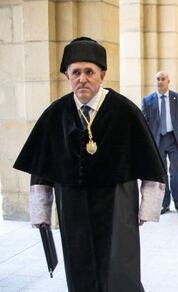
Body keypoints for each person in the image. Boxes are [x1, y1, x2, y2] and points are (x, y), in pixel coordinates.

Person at [13, 37, 166, 292]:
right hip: (72, 207)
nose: (82, 79)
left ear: (102, 74)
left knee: (119, 271)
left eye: (89, 72)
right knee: (79, 268)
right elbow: (41, 167)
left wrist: (146, 208)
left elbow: (151, 162)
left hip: (117, 202)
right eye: (76, 72)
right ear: (67, 75)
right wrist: (41, 212)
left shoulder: (125, 111)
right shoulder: (55, 114)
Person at [141, 71, 178, 214]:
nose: (160, 81)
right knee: (162, 173)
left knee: (176, 172)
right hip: (157, 141)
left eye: (163, 79)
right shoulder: (147, 100)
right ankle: (165, 203)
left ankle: (177, 200)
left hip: (174, 140)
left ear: (168, 81)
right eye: (157, 79)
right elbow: (143, 123)